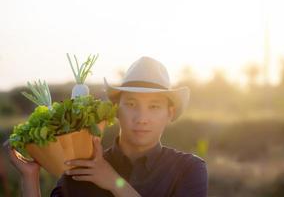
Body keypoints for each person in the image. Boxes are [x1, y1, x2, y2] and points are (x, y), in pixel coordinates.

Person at [5, 56, 208, 197]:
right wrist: (30, 178)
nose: (141, 118)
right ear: (115, 109)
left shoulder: (188, 169)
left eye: (154, 106)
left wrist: (114, 182)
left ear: (169, 113)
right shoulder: (80, 169)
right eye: (131, 104)